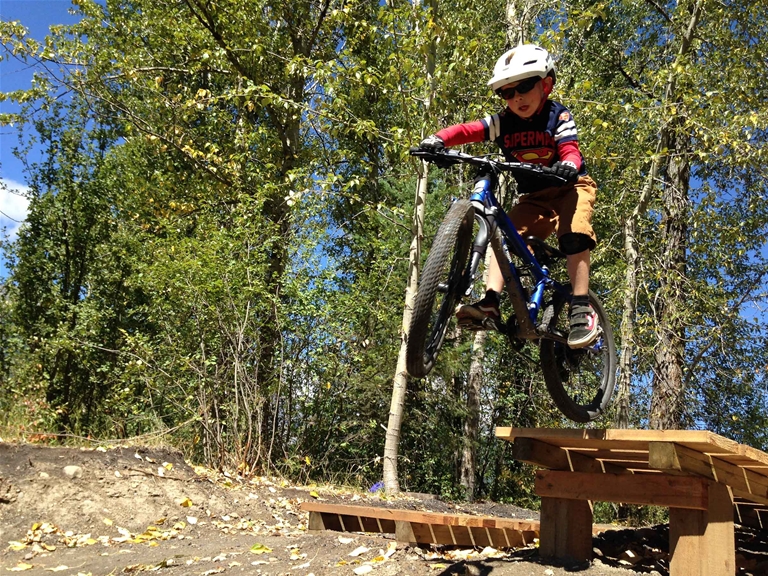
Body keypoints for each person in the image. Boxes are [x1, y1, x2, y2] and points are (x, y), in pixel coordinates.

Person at [419, 44, 599, 349]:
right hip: (534, 197)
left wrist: (568, 164)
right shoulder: (503, 122)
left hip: (571, 187)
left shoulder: (558, 115)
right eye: (506, 92)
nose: (516, 97)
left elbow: (569, 147)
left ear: (546, 84)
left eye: (524, 87)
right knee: (502, 240)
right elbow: (468, 130)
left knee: (574, 233)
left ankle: (581, 305)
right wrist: (438, 139)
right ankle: (491, 301)